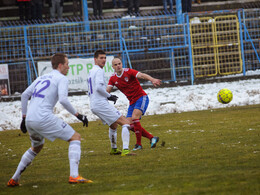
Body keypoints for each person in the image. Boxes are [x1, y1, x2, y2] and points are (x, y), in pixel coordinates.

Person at [7, 53, 92, 187]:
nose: (68, 67)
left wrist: (23, 118)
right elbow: (63, 100)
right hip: (43, 117)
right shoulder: (61, 78)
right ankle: (74, 176)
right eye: (67, 64)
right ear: (60, 65)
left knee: (37, 147)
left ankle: (14, 179)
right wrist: (78, 115)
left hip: (30, 118)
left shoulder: (41, 77)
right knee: (75, 137)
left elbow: (24, 95)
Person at [107, 57, 161, 151]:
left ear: (122, 64)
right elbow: (106, 91)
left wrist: (152, 79)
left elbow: (142, 75)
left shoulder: (128, 71)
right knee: (128, 125)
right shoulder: (113, 78)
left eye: (119, 63)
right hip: (132, 102)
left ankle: (138, 144)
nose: (118, 66)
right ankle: (152, 138)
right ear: (112, 67)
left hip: (141, 97)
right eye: (115, 65)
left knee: (135, 118)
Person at [88, 50, 135, 156]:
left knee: (113, 125)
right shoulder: (99, 71)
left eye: (105, 58)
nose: (103, 60)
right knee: (126, 123)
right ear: (95, 59)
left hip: (94, 104)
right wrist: (109, 96)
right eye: (101, 58)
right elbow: (99, 88)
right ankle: (126, 150)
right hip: (100, 104)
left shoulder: (91, 71)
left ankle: (114, 149)